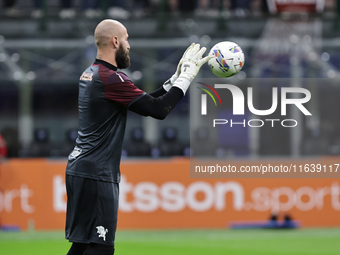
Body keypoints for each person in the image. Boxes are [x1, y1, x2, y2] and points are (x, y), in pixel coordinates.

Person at [65, 19, 210, 255]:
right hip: (97, 174)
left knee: (82, 244)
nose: (129, 45)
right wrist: (187, 78)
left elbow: (146, 103)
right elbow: (158, 110)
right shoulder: (111, 78)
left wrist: (174, 80)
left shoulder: (92, 73)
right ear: (115, 41)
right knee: (100, 248)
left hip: (82, 168)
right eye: (126, 38)